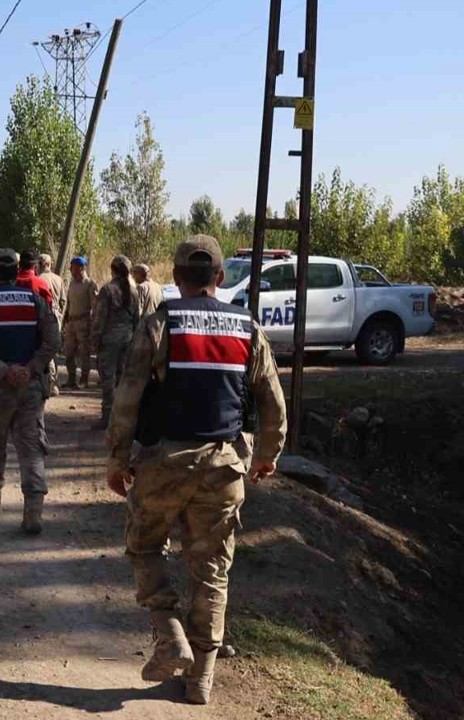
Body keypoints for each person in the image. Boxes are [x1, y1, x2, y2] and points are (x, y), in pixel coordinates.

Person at [106, 235, 287, 705]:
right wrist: (268, 453)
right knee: (212, 570)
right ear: (221, 279)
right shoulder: (247, 327)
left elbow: (126, 400)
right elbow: (271, 399)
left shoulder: (158, 324)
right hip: (224, 468)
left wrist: (116, 459)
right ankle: (201, 677)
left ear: (178, 279)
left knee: (144, 548)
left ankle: (170, 637)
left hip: (164, 464)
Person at [0, 248, 61, 533]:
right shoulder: (35, 302)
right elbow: (52, 339)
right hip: (30, 389)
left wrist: (3, 370)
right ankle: (33, 513)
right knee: (31, 449)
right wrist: (31, 367)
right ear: (17, 271)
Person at [91, 255, 140, 430]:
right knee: (122, 379)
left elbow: (99, 318)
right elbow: (137, 319)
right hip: (127, 339)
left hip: (109, 341)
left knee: (107, 379)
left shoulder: (107, 290)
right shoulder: (134, 291)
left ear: (112, 270)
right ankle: (122, 417)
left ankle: (107, 416)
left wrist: (95, 340)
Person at [63, 256, 98, 389]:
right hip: (71, 322)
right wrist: (65, 319)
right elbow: (69, 302)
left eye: (73, 267)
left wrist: (93, 325)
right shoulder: (71, 283)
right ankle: (71, 379)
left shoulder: (90, 284)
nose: (71, 269)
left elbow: (95, 306)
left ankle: (84, 379)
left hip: (84, 322)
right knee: (68, 352)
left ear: (81, 268)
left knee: (84, 353)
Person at [38, 253, 67, 395]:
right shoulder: (58, 279)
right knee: (54, 348)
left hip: (44, 316)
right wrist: (61, 314)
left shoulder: (39, 280)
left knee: (44, 348)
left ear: (40, 264)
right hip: (57, 316)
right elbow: (63, 300)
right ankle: (54, 381)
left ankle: (50, 382)